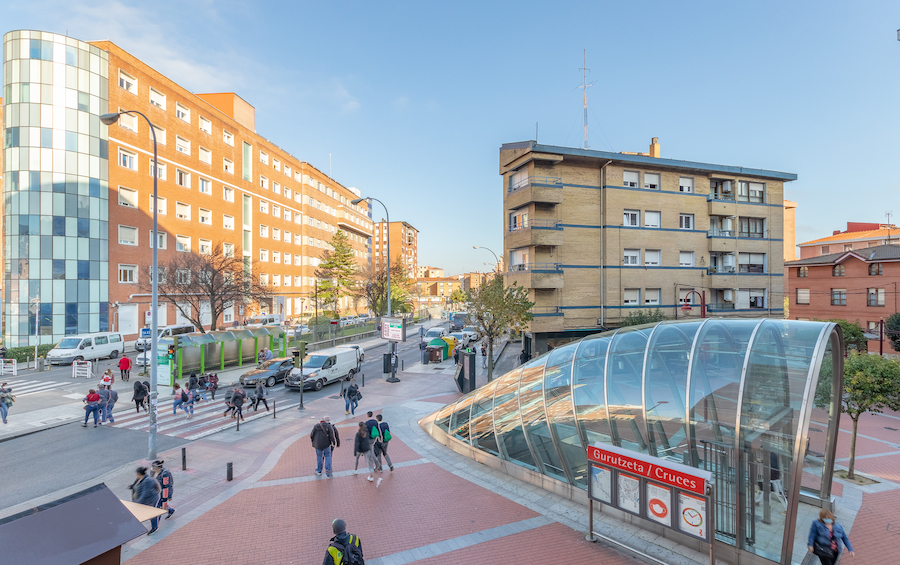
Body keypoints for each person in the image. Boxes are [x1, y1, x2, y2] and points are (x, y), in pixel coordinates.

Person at [129, 466, 162, 534]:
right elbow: (136, 485)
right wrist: (132, 486)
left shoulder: (147, 480)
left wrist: (137, 502)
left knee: (151, 514)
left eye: (137, 474)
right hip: (142, 501)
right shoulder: (139, 478)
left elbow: (145, 493)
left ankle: (155, 527)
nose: (136, 475)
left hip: (151, 500)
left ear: (140, 474)